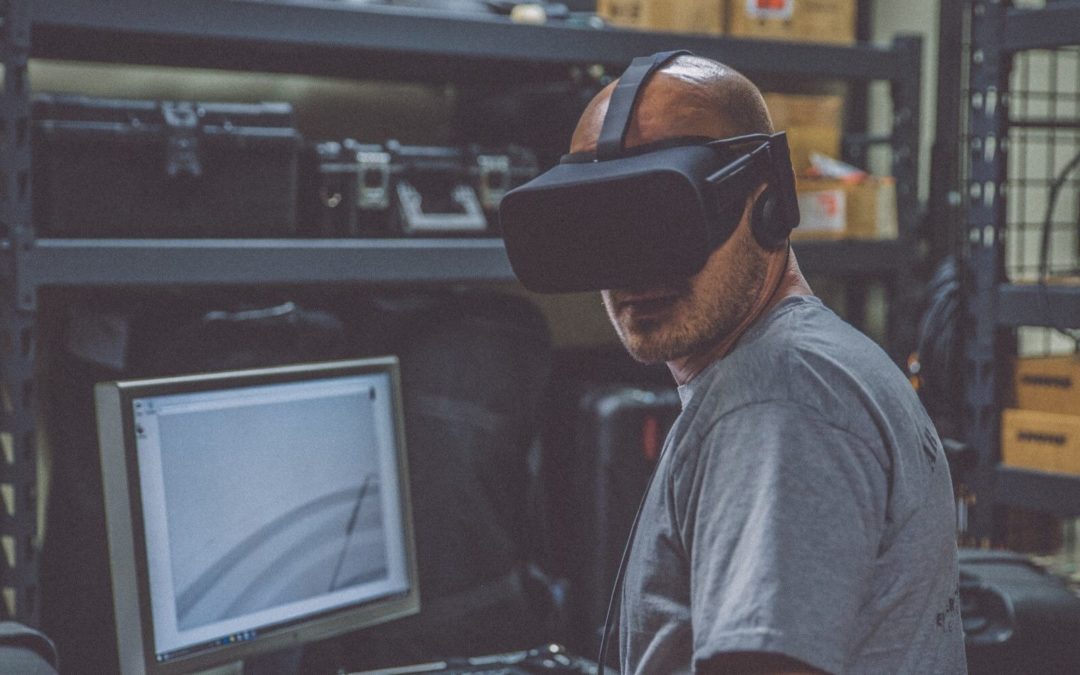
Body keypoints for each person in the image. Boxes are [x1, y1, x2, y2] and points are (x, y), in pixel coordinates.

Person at [572, 56, 967, 673]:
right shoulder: (807, 364)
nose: (636, 268)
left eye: (672, 221)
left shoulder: (779, 396)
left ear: (769, 204)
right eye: (607, 229)